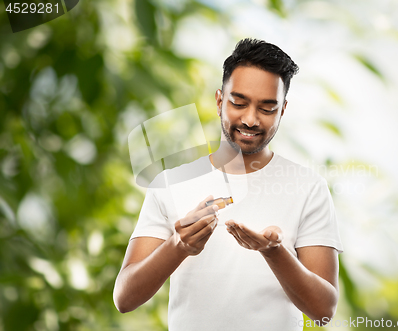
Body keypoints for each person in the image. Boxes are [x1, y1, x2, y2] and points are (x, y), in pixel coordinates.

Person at [113, 38, 343, 331]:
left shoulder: (308, 188)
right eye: (239, 102)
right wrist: (179, 245)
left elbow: (323, 312)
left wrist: (274, 252)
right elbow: (124, 298)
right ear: (220, 100)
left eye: (267, 108)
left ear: (282, 110)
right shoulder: (169, 185)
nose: (250, 119)